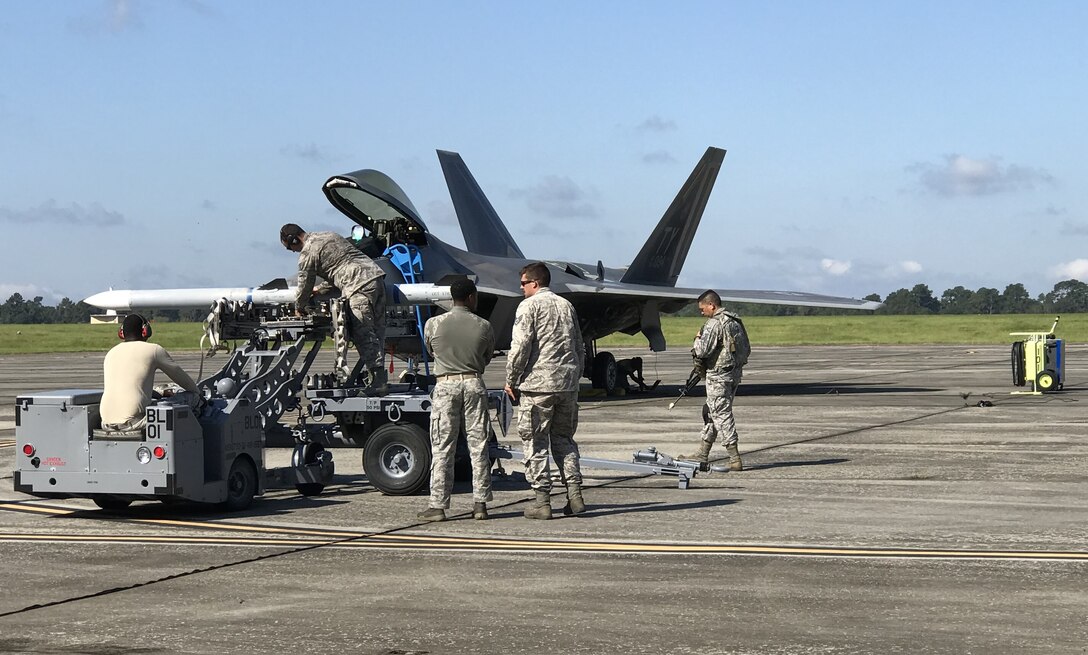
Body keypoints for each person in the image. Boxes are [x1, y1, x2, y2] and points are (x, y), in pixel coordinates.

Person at [504, 262, 586, 519]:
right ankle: (574, 495)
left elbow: (520, 347)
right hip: (567, 385)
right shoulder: (566, 305)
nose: (521, 288)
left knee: (536, 443)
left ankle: (542, 501)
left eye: (523, 283)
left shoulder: (529, 306)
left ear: (535, 283)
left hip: (538, 387)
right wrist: (575, 375)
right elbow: (578, 345)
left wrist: (511, 379)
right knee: (564, 440)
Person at [417, 279, 496, 522]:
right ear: (471, 297)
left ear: (452, 298)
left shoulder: (434, 324)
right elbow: (487, 355)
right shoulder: (484, 326)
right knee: (478, 445)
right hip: (473, 382)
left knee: (442, 446)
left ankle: (438, 506)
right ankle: (480, 504)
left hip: (446, 384)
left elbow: (432, 350)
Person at [280, 223, 388, 394]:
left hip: (357, 286)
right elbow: (339, 269)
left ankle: (378, 382)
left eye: (290, 248)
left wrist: (299, 306)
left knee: (363, 333)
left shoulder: (307, 252)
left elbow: (305, 283)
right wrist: (320, 290)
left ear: (293, 240)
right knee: (378, 331)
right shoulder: (329, 235)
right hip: (376, 278)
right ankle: (379, 379)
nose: (294, 251)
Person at [682, 290, 750, 472]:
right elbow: (746, 349)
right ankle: (703, 452)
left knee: (721, 414)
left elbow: (702, 351)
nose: (701, 312)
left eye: (702, 308)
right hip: (733, 373)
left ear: (711, 305)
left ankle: (734, 457)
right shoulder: (734, 321)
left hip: (718, 376)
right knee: (712, 411)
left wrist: (697, 339)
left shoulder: (714, 324)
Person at [100, 313, 200, 432]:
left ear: (121, 333)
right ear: (145, 331)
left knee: (157, 391)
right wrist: (199, 394)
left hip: (106, 423)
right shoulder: (154, 350)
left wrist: (158, 394)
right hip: (134, 423)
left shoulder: (111, 353)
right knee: (194, 397)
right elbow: (186, 383)